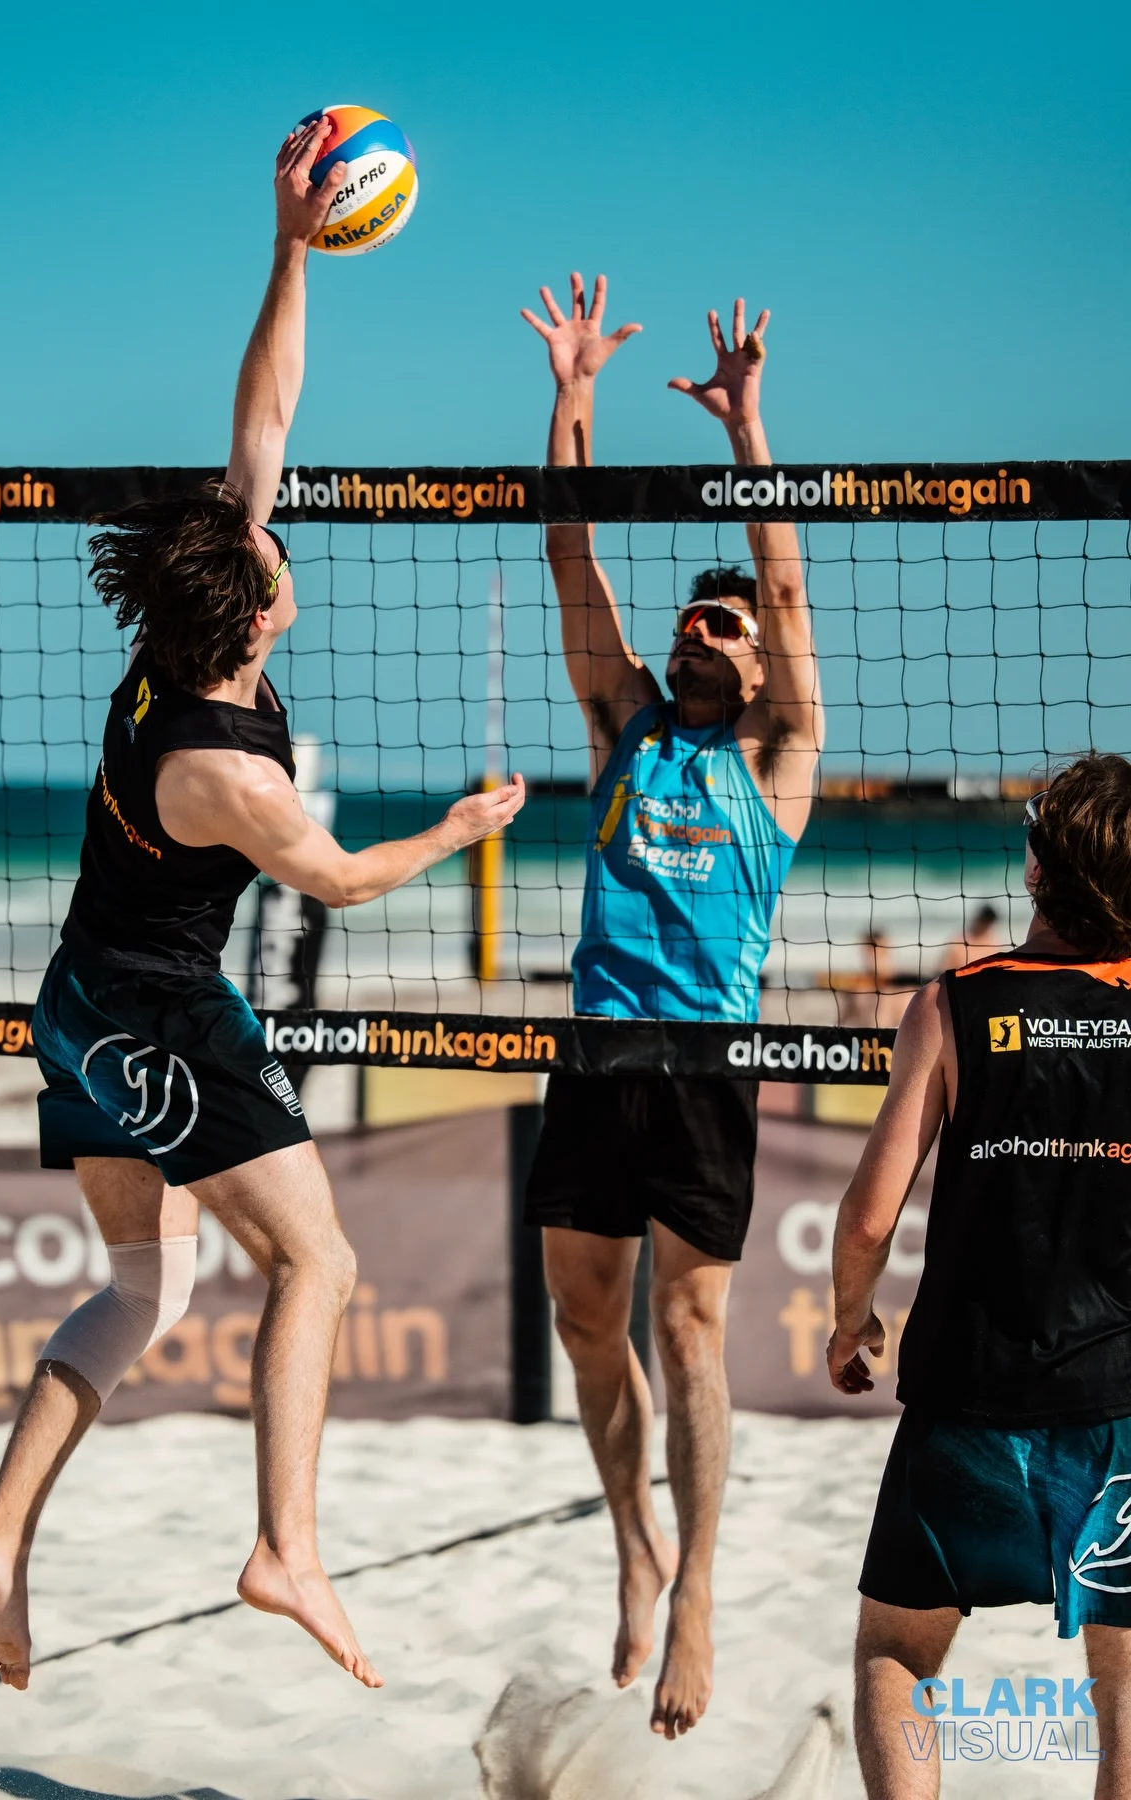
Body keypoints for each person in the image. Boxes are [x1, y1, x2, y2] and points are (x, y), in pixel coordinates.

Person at [0, 117, 524, 1694]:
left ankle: (1, 1537)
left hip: (75, 997)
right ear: (254, 607)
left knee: (146, 1283)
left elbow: (267, 404)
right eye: (266, 550)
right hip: (151, 1004)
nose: (275, 542)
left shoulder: (183, 651)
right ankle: (288, 1547)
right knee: (317, 1266)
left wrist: (288, 241)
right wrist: (461, 827)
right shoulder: (225, 770)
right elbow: (334, 878)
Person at [518, 274, 823, 1737]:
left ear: (757, 662)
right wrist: (572, 396)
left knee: (691, 1327)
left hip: (704, 1060)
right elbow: (570, 552)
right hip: (594, 1048)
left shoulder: (781, 760)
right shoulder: (624, 725)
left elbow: (788, 584)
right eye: (692, 619)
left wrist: (748, 423)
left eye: (726, 622)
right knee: (587, 1324)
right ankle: (632, 1542)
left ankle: (696, 1581)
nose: (704, 630)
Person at [828, 753, 1131, 1800]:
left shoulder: (955, 1002)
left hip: (971, 1397)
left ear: (1039, 868)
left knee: (896, 1659)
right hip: (1119, 1405)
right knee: (1124, 1713)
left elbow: (868, 1216)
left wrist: (848, 1319)